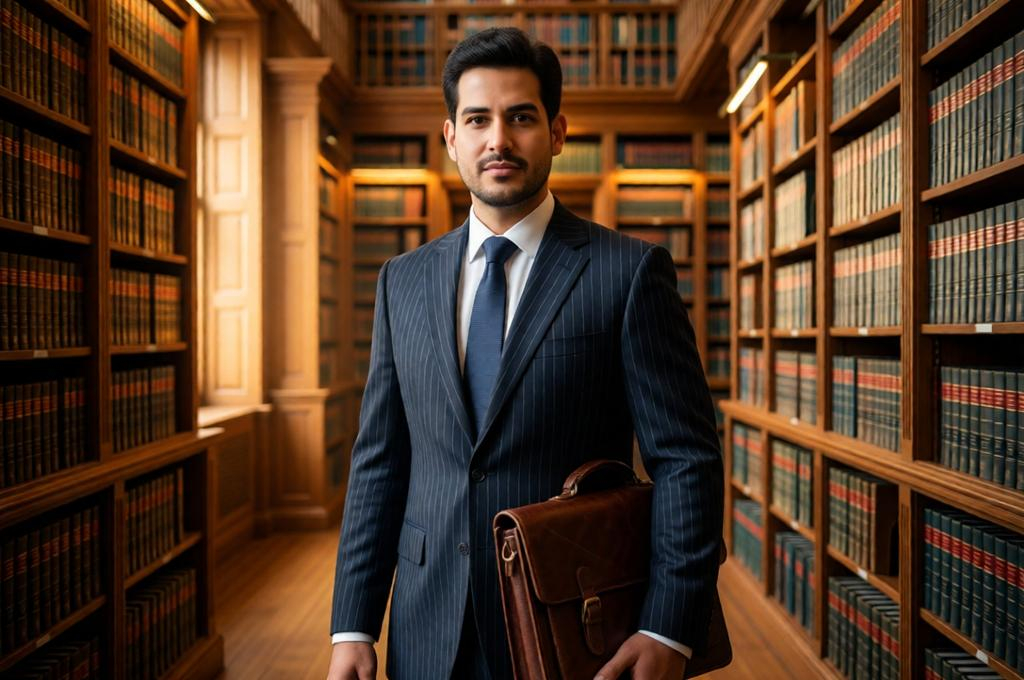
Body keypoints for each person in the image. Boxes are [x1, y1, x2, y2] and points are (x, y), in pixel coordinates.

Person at [326, 27, 723, 680]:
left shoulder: (628, 273)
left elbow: (686, 459)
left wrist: (668, 626)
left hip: (570, 617)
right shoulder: (404, 280)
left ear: (558, 131)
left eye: (521, 118)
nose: (498, 141)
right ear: (450, 136)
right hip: (428, 627)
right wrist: (353, 623)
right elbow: (379, 461)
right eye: (478, 119)